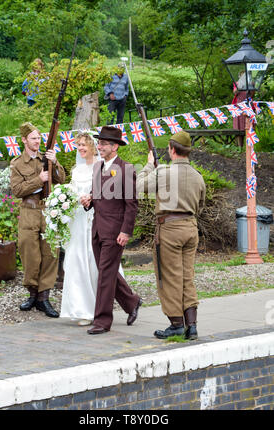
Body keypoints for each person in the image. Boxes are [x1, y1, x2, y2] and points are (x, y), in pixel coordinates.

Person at [136, 130, 206, 340]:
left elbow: (138, 187)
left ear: (172, 149)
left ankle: (176, 323)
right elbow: (200, 206)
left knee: (169, 277)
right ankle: (191, 325)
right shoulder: (198, 176)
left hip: (169, 229)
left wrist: (149, 166)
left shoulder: (163, 172)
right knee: (187, 276)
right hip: (190, 227)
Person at [80, 126, 142, 335]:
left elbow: (131, 204)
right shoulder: (97, 167)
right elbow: (96, 196)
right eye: (99, 143)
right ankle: (132, 302)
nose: (99, 146)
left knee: (105, 275)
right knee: (107, 272)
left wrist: (126, 231)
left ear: (115, 147)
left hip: (115, 232)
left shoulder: (126, 169)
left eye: (104, 144)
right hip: (97, 229)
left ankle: (102, 321)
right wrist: (88, 200)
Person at [60, 132, 125, 326]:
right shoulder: (75, 170)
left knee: (94, 262)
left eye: (83, 145)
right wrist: (64, 200)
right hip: (78, 219)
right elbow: (72, 191)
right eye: (78, 145)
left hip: (95, 219)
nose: (80, 148)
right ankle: (81, 308)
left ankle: (97, 308)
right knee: (76, 260)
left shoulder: (101, 167)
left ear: (92, 147)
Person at [10, 122, 66, 317]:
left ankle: (44, 298)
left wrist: (55, 162)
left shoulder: (46, 158)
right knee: (30, 255)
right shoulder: (17, 163)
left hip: (48, 211)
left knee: (50, 253)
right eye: (33, 138)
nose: (37, 141)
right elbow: (17, 190)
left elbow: (61, 179)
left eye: (39, 137)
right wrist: (39, 180)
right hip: (29, 211)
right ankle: (32, 294)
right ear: (24, 140)